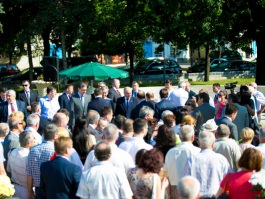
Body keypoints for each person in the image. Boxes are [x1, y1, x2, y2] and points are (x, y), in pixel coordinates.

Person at [187, 130, 230, 198]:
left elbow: (187, 181)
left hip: (197, 196)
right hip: (216, 196)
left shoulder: (191, 159)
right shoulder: (221, 159)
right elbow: (227, 180)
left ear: (199, 143)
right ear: (213, 143)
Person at [164, 125, 200, 199]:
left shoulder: (170, 152)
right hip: (193, 190)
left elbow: (165, 175)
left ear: (180, 137)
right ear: (193, 137)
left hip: (174, 190)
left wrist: (169, 193)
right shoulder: (198, 152)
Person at [26, 124, 58, 199]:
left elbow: (29, 173)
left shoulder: (33, 150)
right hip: (52, 189)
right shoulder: (55, 150)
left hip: (38, 190)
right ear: (55, 136)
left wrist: (29, 192)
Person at [7, 130, 35, 199]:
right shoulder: (29, 157)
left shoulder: (11, 152)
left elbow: (8, 170)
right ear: (29, 143)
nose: (34, 140)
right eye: (33, 139)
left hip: (14, 189)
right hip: (26, 191)